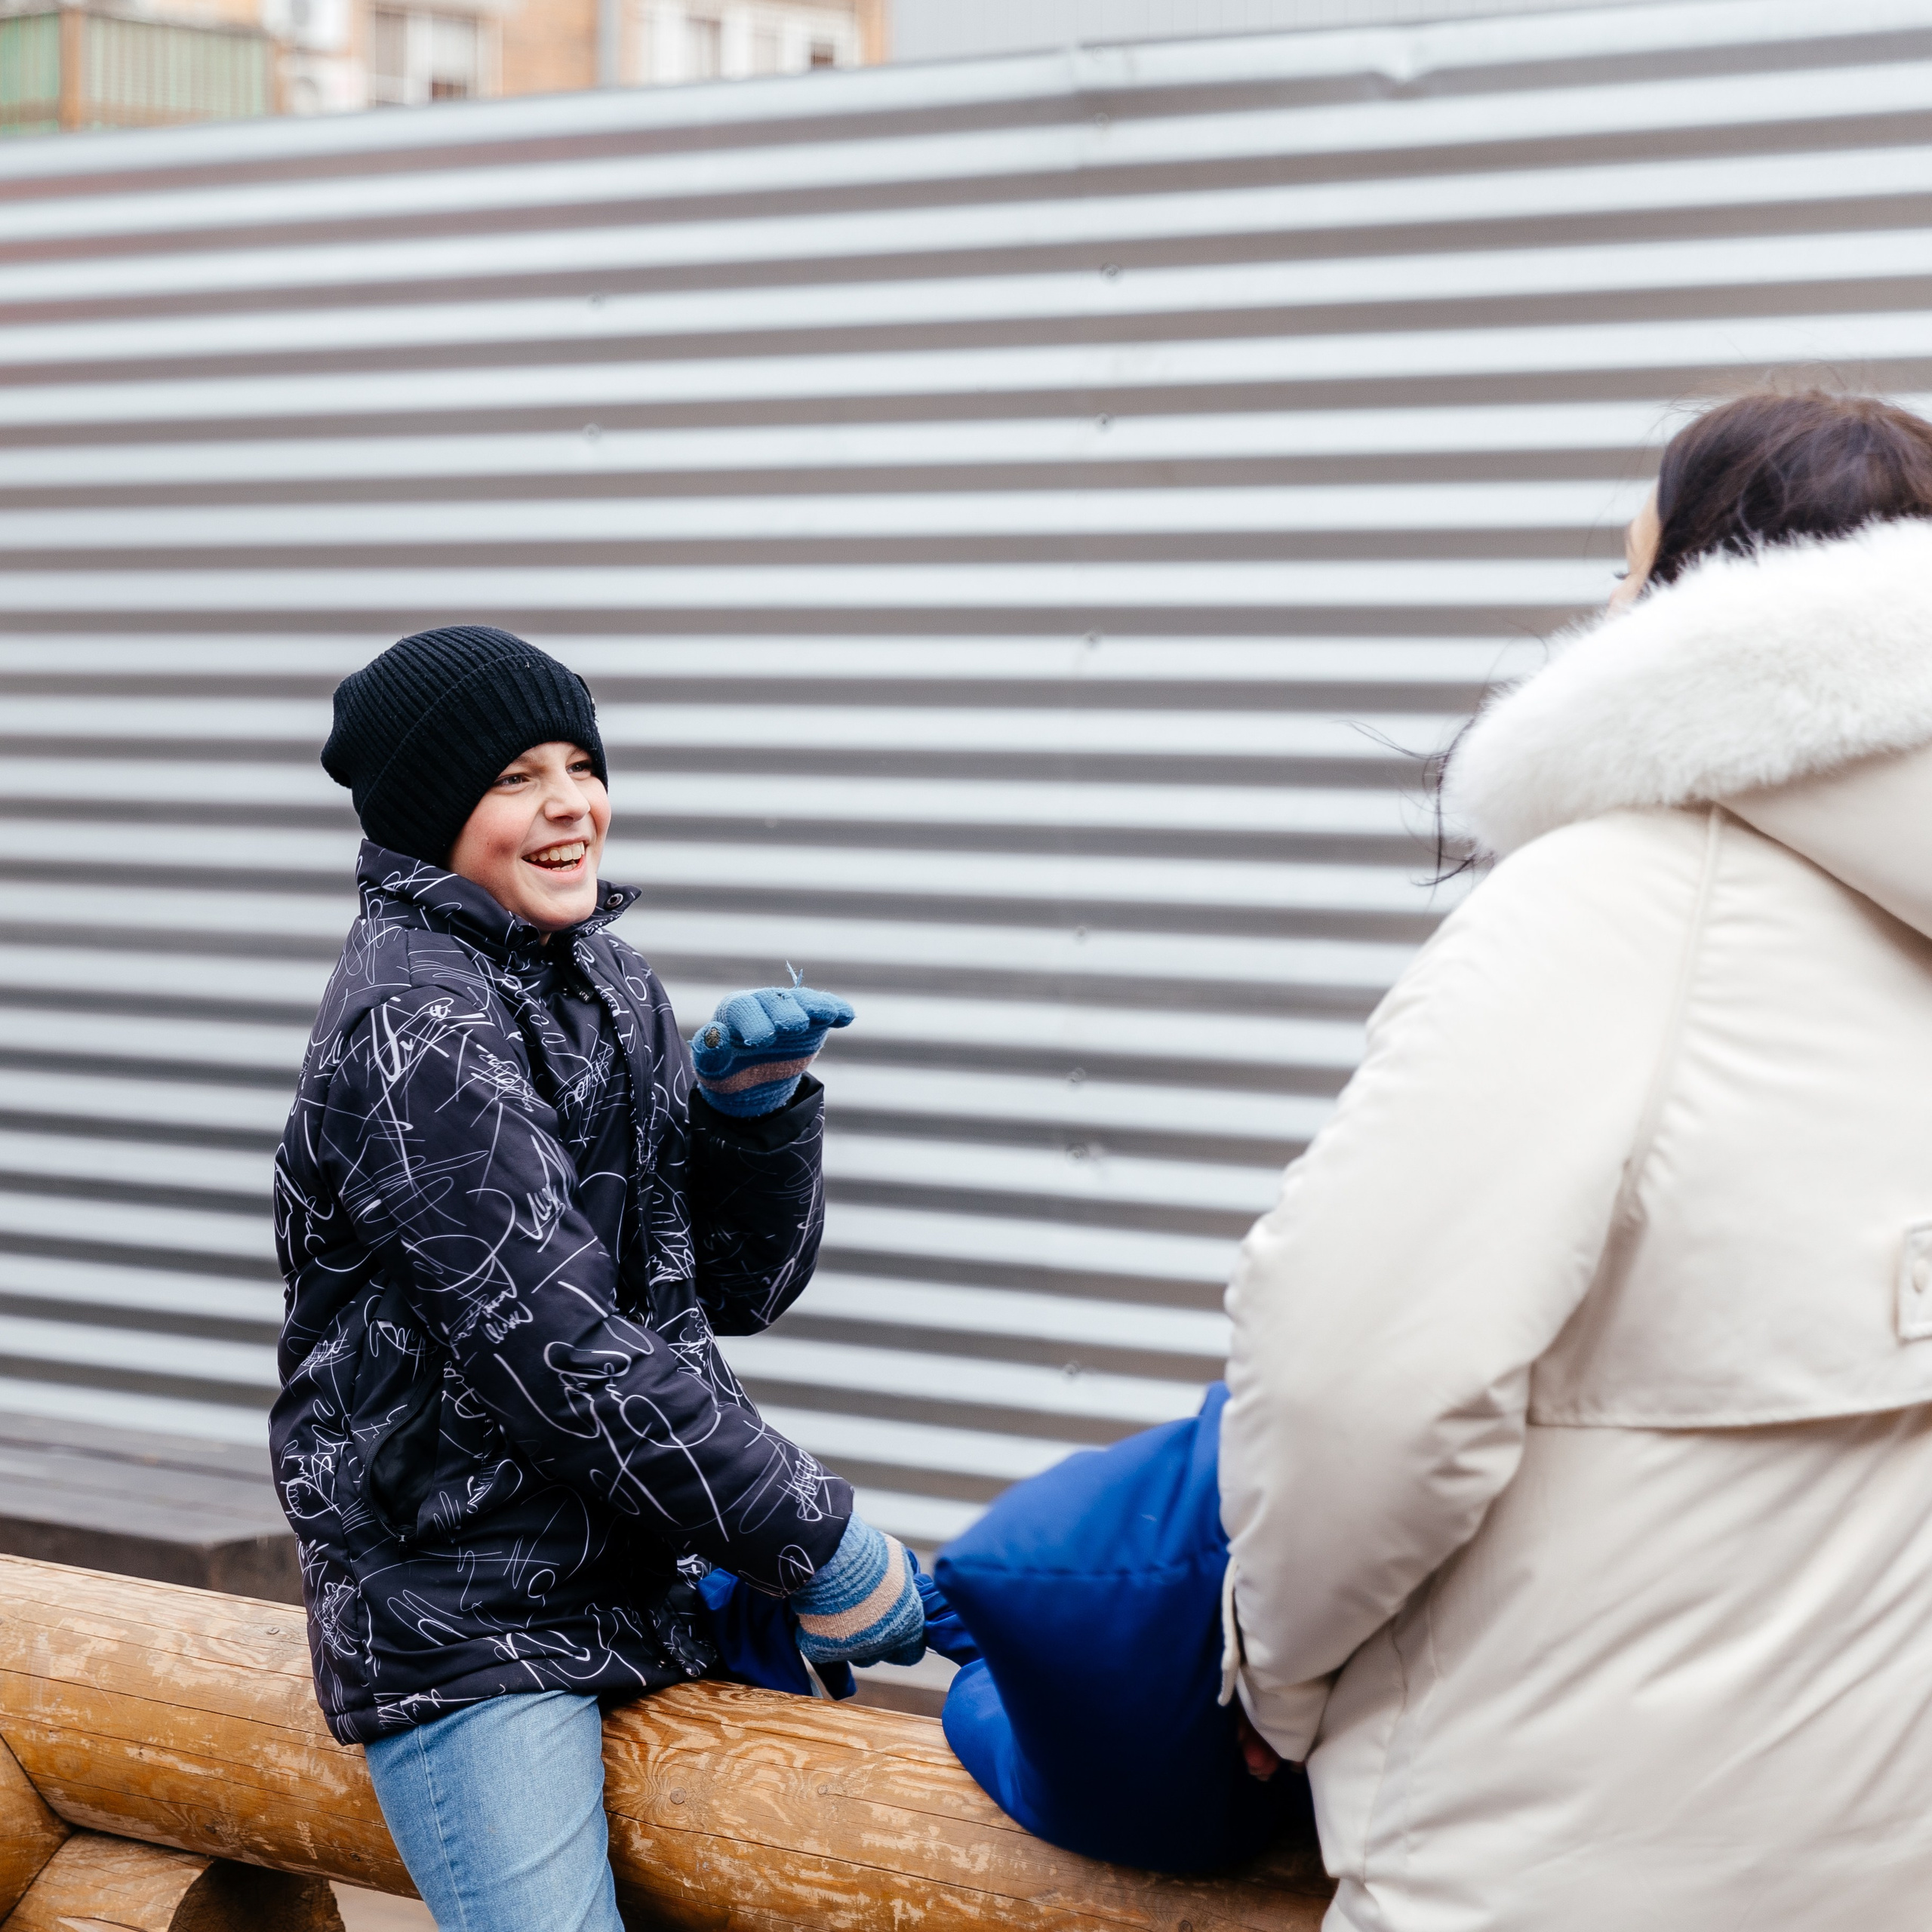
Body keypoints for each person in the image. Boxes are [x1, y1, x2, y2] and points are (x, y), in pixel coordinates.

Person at [1216, 389, 1932, 1927]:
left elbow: (1357, 1371)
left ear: (1697, 601)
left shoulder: (1612, 903)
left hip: (1552, 1857)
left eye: (1626, 567)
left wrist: (1268, 1673)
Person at [270, 626, 922, 1932]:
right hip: (467, 1611)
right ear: (428, 814)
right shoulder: (416, 1027)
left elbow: (733, 1292)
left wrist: (752, 1118)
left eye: (581, 763)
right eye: (516, 777)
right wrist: (823, 1542)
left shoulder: (609, 981)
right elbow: (556, 1354)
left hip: (640, 1582)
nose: (570, 804)